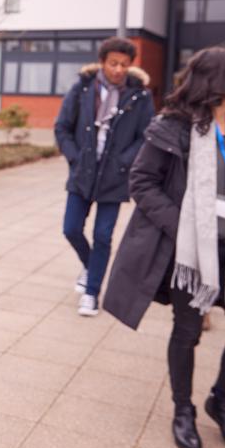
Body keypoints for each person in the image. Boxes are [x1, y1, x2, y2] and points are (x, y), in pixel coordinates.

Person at [104, 47, 225, 448]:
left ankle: (220, 400)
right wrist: (184, 229)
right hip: (190, 253)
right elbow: (142, 183)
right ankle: (183, 410)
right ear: (218, 81)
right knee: (187, 332)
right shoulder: (172, 126)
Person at [53, 36, 154, 317]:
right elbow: (62, 127)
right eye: (113, 64)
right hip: (82, 173)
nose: (119, 70)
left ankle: (92, 292)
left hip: (115, 178)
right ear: (102, 63)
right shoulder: (83, 88)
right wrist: (74, 157)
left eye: (124, 64)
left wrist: (125, 162)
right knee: (71, 229)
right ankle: (91, 266)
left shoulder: (140, 96)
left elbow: (145, 136)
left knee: (102, 236)